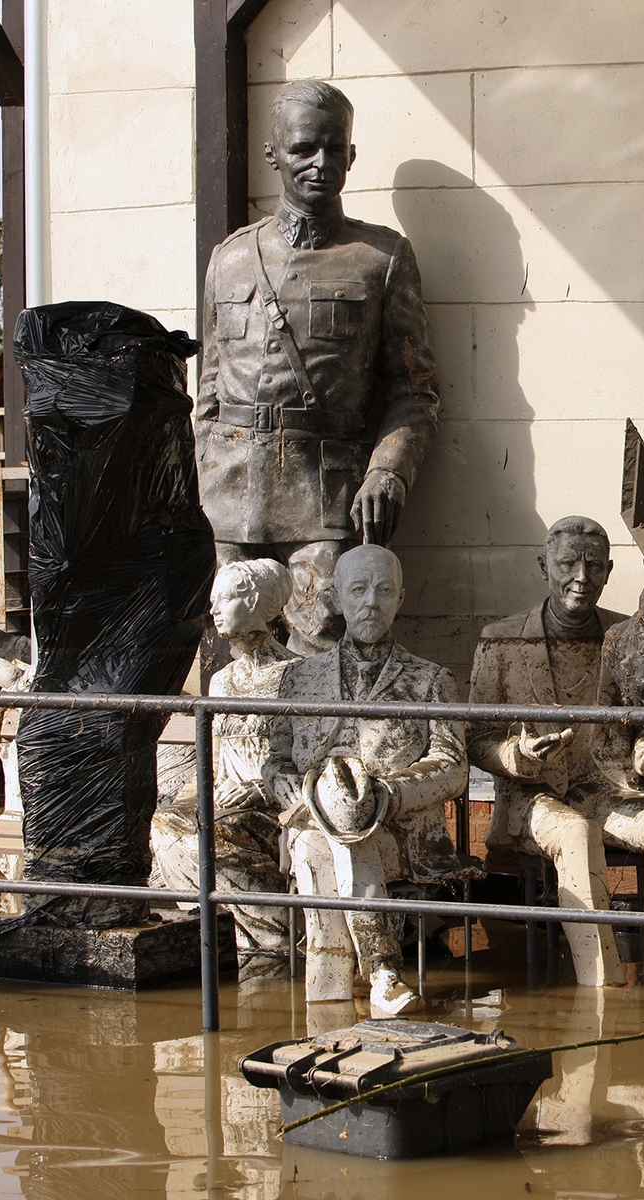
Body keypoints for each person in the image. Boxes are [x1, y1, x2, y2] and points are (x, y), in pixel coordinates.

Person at [195, 79, 440, 655]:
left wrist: (388, 472)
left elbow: (415, 390)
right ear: (273, 154)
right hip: (227, 501)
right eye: (304, 148)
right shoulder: (230, 258)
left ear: (352, 155)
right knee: (231, 659)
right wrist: (197, 487)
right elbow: (208, 390)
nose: (320, 163)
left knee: (325, 657)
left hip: (325, 499)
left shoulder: (381, 257)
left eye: (334, 148)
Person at [467, 516, 644, 985]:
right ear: (544, 566)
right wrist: (519, 755)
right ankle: (601, 978)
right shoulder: (502, 639)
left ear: (609, 571)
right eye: (567, 564)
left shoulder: (627, 636)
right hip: (532, 794)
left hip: (607, 786)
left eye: (594, 566)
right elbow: (476, 737)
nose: (581, 577)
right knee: (574, 831)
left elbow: (643, 722)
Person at [265, 545, 469, 1014]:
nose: (371, 602)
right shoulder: (298, 679)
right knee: (324, 832)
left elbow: (453, 766)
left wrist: (386, 796)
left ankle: (329, 998)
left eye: (383, 590)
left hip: (401, 829)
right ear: (337, 598)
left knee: (327, 839)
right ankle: (382, 973)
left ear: (400, 598)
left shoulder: (430, 679)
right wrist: (297, 792)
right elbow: (275, 761)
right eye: (358, 590)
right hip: (313, 817)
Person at [151, 560, 296, 971]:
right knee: (165, 825)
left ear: (255, 602)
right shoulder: (222, 681)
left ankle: (273, 937)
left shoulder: (296, 674)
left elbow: (308, 758)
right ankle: (231, 932)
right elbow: (213, 765)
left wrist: (256, 788)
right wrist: (204, 795)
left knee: (198, 838)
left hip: (274, 805)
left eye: (225, 599)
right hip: (225, 802)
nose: (213, 610)